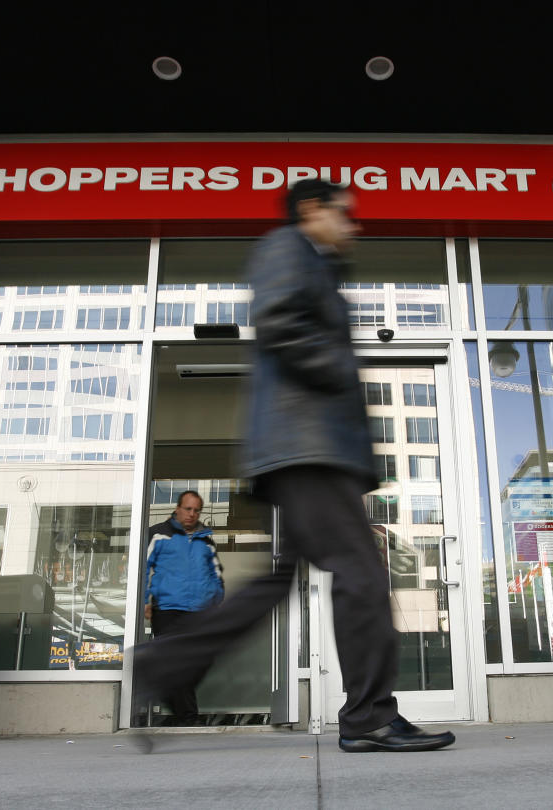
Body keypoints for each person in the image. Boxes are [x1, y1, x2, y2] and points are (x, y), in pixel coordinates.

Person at [135, 179, 455, 753]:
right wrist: (339, 372)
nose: (354, 227)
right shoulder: (288, 245)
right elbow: (281, 320)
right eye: (346, 215)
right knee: (362, 575)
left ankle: (164, 663)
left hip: (308, 447)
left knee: (285, 578)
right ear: (312, 209)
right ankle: (369, 717)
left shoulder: (318, 265)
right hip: (307, 445)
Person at [142, 490, 223, 725]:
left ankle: (184, 715)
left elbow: (215, 576)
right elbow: (143, 569)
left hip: (197, 613)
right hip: (166, 609)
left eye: (196, 510)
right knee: (172, 663)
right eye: (188, 509)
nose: (192, 514)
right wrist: (145, 602)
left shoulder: (205, 540)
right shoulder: (157, 534)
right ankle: (188, 717)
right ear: (177, 509)